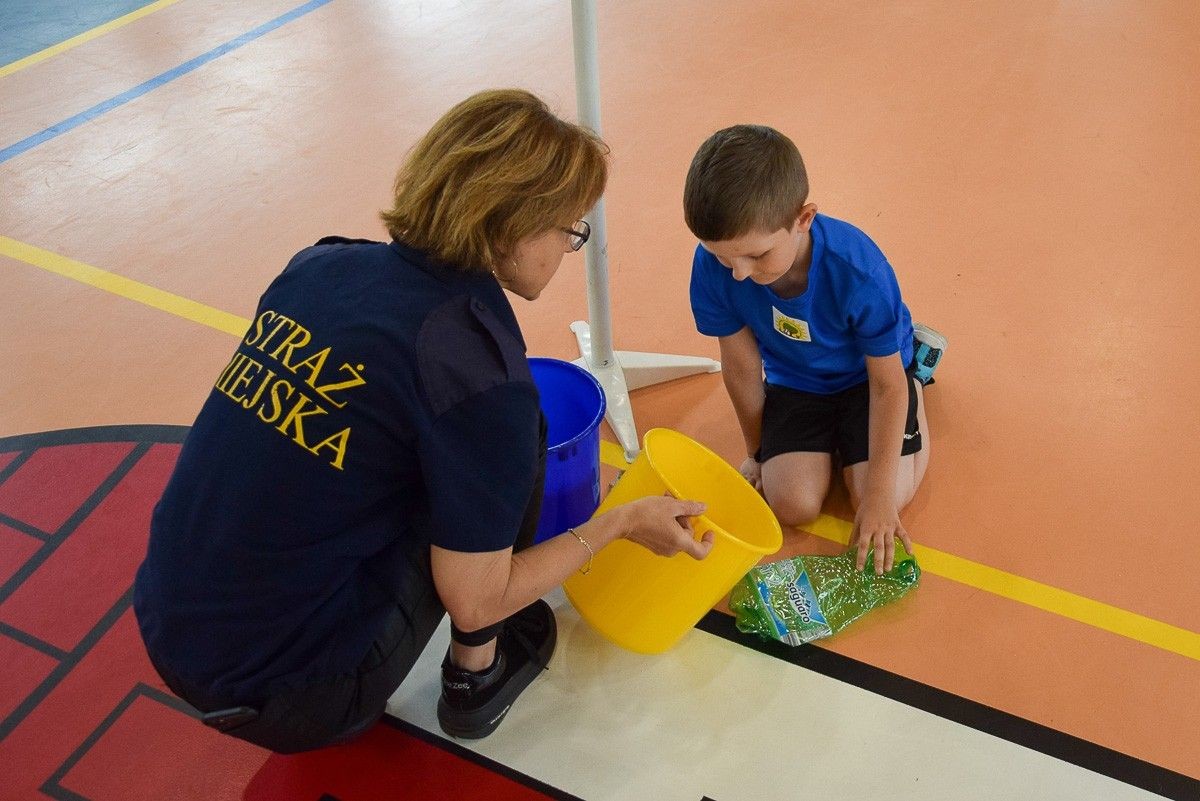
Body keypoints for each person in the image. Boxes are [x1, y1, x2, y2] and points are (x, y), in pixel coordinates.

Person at [133, 89, 713, 754]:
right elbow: (475, 599)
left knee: (410, 447)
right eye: (567, 229)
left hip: (166, 621)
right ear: (509, 229)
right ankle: (477, 677)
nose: (567, 246)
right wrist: (617, 523)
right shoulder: (481, 373)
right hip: (293, 696)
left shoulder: (317, 266)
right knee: (515, 439)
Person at [683, 125, 946, 576]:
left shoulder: (859, 271)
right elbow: (743, 368)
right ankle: (845, 445)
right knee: (792, 504)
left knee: (876, 496)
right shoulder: (713, 267)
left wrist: (881, 500)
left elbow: (885, 386)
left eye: (756, 256)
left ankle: (917, 373)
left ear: (803, 219)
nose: (739, 274)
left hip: (869, 379)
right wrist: (758, 451)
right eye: (724, 258)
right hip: (797, 382)